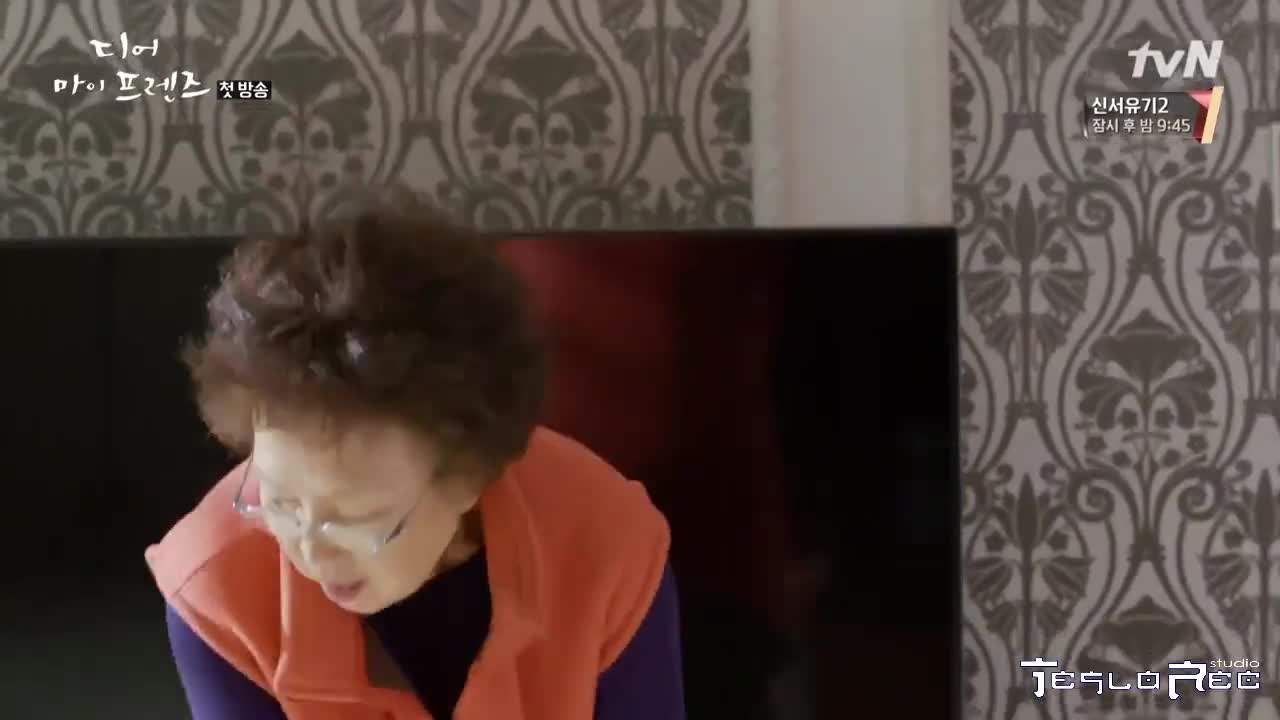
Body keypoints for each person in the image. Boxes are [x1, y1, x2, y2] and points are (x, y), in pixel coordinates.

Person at [145, 199, 685, 720]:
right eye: (280, 502)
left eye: (356, 519)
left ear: (469, 476)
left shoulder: (605, 545)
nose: (310, 550)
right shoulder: (217, 586)